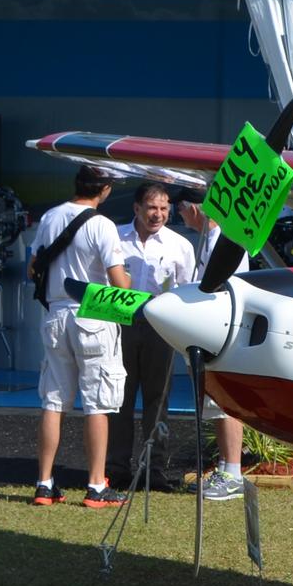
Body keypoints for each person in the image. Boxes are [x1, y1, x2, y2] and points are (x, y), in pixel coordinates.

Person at [29, 165, 132, 507]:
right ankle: (96, 486)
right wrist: (128, 278)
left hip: (56, 313)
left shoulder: (50, 217)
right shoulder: (102, 224)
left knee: (53, 401)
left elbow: (34, 267)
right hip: (93, 314)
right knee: (97, 403)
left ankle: (44, 484)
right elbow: (119, 282)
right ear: (103, 190)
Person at [109, 182, 196, 491]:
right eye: (151, 208)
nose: (158, 214)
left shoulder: (179, 245)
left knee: (158, 400)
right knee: (119, 397)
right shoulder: (115, 237)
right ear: (136, 208)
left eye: (163, 208)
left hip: (160, 328)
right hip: (120, 325)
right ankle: (116, 469)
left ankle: (154, 471)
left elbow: (186, 289)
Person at [177, 187, 251, 501]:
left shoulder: (223, 241)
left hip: (220, 332)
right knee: (213, 405)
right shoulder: (208, 240)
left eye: (179, 209)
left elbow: (225, 288)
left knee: (223, 404)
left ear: (190, 207)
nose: (178, 216)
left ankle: (232, 471)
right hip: (208, 332)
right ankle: (225, 466)